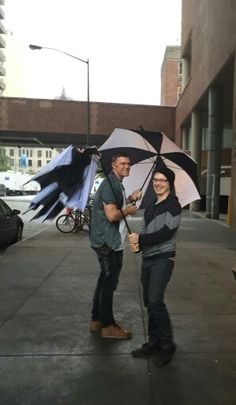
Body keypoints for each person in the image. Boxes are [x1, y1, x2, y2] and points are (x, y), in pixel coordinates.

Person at [128, 166, 182, 365]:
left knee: (156, 301)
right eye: (155, 180)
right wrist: (138, 245)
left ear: (169, 183)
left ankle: (168, 345)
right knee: (150, 303)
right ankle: (154, 342)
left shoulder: (173, 205)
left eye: (162, 180)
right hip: (148, 258)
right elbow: (147, 231)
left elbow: (166, 233)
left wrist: (141, 238)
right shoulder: (151, 206)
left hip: (163, 258)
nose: (158, 183)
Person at [90, 152, 142, 339]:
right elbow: (112, 215)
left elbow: (115, 205)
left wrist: (130, 198)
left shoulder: (116, 184)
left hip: (108, 240)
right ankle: (108, 326)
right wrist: (129, 210)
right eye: (122, 163)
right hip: (108, 242)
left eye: (128, 164)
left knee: (104, 281)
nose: (126, 166)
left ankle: (97, 320)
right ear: (113, 165)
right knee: (109, 284)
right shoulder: (109, 185)